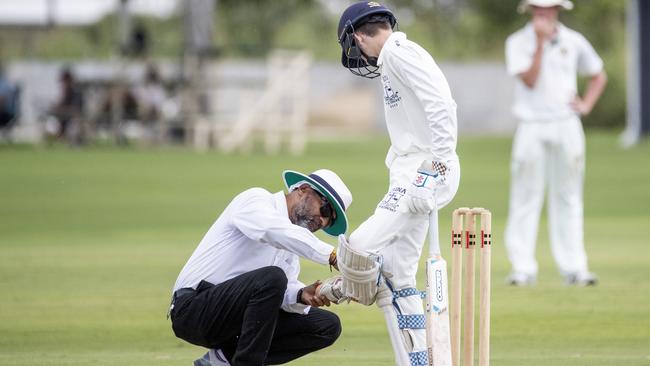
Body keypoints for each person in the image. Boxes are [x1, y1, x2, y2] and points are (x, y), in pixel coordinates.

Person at [318, 2, 461, 365]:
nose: (357, 55)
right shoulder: (391, 61)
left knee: (362, 246)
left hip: (424, 172)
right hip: (409, 171)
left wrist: (436, 168)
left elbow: (442, 105)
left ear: (358, 35)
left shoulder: (399, 51)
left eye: (353, 46)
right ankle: (419, 361)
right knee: (397, 273)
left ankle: (341, 289)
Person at [169, 168, 353, 366]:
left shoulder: (290, 247)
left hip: (232, 321)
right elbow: (270, 231)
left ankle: (220, 361)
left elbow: (274, 295)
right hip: (192, 309)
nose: (323, 222)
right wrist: (333, 255)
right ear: (303, 189)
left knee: (327, 326)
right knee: (273, 278)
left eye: (329, 221)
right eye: (325, 211)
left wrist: (301, 294)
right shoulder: (256, 199)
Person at [504, 0, 607, 286]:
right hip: (531, 124)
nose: (542, 13)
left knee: (569, 195)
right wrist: (539, 44)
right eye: (538, 8)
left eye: (548, 8)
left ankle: (574, 268)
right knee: (526, 196)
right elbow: (529, 80)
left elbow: (598, 74)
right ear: (530, 11)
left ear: (558, 10)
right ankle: (523, 268)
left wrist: (585, 105)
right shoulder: (517, 41)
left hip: (566, 123)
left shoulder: (573, 41)